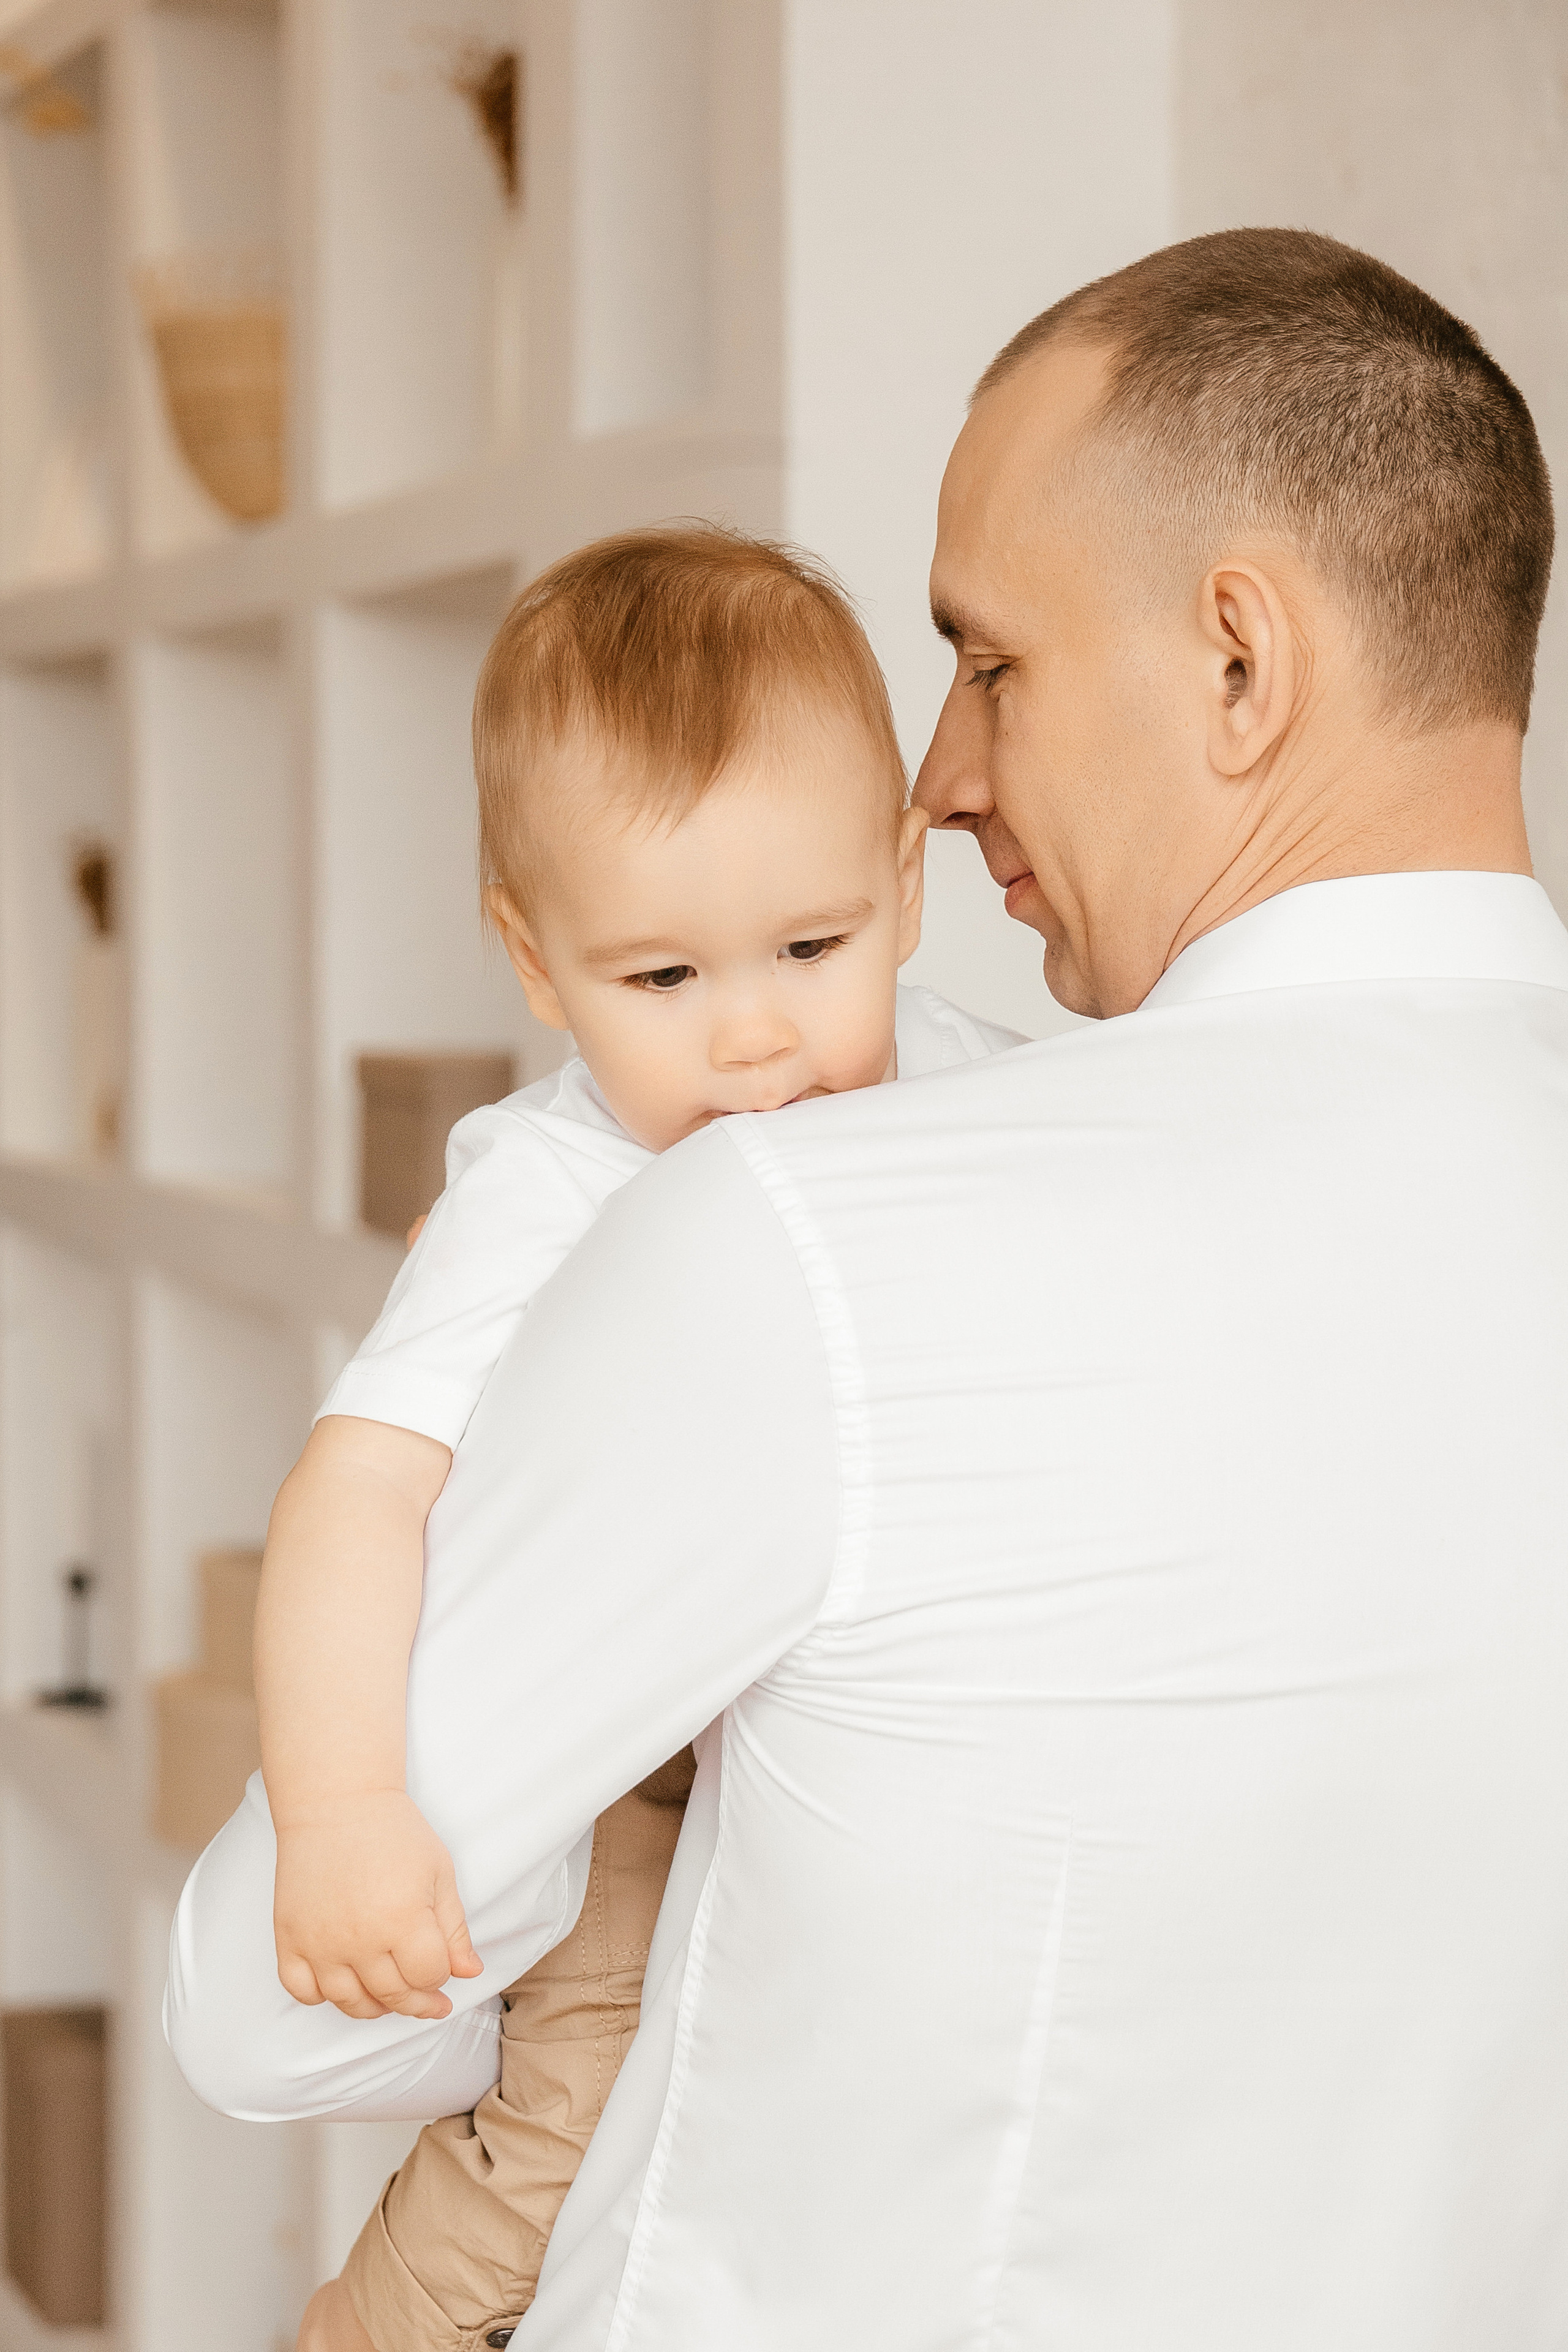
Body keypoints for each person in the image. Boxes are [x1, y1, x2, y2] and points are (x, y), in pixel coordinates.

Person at [168, 229, 1568, 2349]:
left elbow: (261, 2017)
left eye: (989, 660)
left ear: (1240, 663)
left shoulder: (807, 1240)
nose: (935, 769)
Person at [248, 526, 1020, 2349]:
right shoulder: (549, 1183)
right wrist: (342, 1810)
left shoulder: (984, 1089)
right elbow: (358, 1486)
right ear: (539, 966)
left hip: (878, 1725)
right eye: (661, 982)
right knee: (570, 2100)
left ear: (907, 890)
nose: (756, 1037)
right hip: (641, 1763)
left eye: (812, 947)